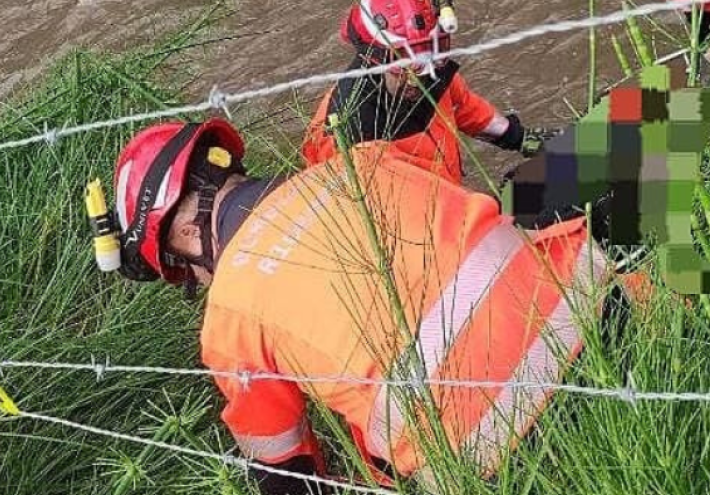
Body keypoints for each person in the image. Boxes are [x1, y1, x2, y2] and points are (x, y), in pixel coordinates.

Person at [96, 116, 642, 495]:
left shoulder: (230, 317)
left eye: (186, 268)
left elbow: (288, 471)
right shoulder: (362, 162)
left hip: (505, 450)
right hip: (613, 317)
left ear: (187, 229)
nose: (200, 279)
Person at [302, 0, 558, 184]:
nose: (423, 73)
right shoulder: (349, 133)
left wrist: (522, 139)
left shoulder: (433, 75)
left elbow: (467, 109)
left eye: (430, 54)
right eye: (407, 62)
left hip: (447, 198)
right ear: (374, 61)